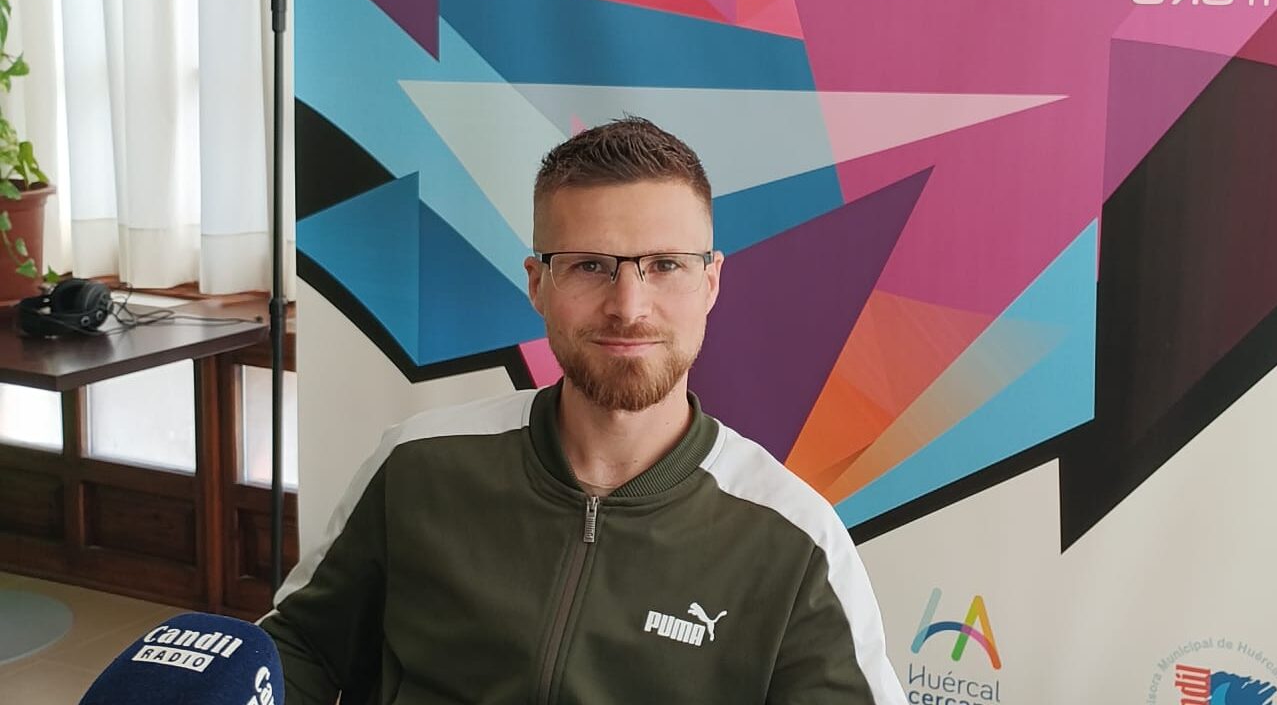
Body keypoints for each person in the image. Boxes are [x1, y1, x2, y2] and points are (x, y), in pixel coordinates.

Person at [260, 117, 907, 704]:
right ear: (537, 284)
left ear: (710, 283)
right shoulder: (417, 465)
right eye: (591, 265)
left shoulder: (796, 542)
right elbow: (298, 650)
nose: (628, 306)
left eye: (665, 265)